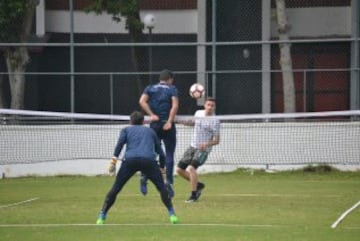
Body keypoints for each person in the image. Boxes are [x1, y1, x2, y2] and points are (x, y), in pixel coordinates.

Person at [96, 111, 179, 224]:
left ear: (131, 121)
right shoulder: (150, 131)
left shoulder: (126, 130)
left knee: (116, 188)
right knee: (162, 189)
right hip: (149, 161)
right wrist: (162, 167)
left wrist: (113, 161)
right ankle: (172, 214)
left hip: (130, 161)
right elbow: (161, 153)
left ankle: (102, 216)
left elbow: (119, 145)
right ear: (143, 121)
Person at [138, 69, 179, 197]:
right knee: (169, 155)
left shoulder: (150, 88)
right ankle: (169, 183)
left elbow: (142, 101)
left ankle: (145, 177)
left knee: (151, 153)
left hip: (154, 125)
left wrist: (151, 115)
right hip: (167, 125)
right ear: (170, 79)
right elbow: (175, 105)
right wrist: (170, 122)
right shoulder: (172, 89)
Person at [176, 97, 220, 203]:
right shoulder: (198, 113)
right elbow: (193, 123)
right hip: (193, 146)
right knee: (179, 170)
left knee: (191, 168)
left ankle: (194, 195)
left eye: (212, 105)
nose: (210, 107)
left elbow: (217, 140)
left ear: (214, 107)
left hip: (204, 149)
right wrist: (180, 121)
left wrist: (207, 144)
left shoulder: (215, 121)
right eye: (208, 105)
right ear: (204, 105)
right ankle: (198, 185)